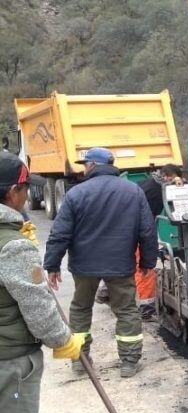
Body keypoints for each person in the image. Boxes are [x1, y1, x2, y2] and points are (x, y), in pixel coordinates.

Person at [0, 154, 84, 413]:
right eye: (22, 189)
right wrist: (63, 341)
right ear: (13, 192)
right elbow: (35, 303)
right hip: (11, 361)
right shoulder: (11, 245)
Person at [43, 147, 157, 378]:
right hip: (120, 264)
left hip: (84, 266)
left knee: (80, 309)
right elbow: (147, 231)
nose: (83, 168)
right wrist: (147, 262)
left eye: (85, 165)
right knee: (126, 310)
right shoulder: (133, 191)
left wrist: (53, 265)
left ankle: (80, 361)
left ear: (93, 165)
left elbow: (60, 232)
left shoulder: (77, 193)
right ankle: (129, 363)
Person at [135, 164, 183, 319]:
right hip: (138, 228)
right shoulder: (153, 189)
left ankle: (106, 290)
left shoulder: (153, 184)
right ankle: (146, 307)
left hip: (138, 225)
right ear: (165, 176)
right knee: (144, 266)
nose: (172, 181)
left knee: (128, 262)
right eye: (171, 178)